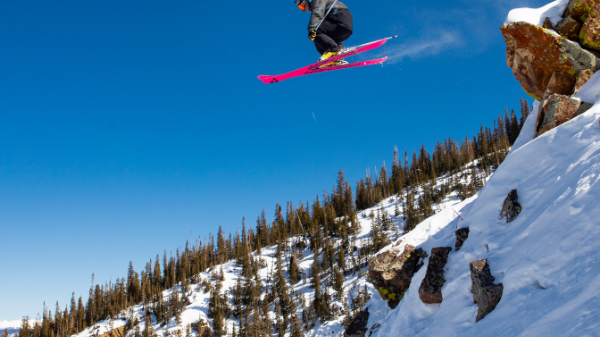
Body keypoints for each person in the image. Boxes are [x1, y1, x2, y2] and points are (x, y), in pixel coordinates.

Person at [295, 0, 353, 65]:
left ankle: (333, 50)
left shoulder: (317, 1)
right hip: (344, 29)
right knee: (319, 40)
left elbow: (317, 14)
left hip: (339, 21)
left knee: (316, 31)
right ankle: (334, 56)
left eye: (301, 6)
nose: (303, 10)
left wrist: (312, 29)